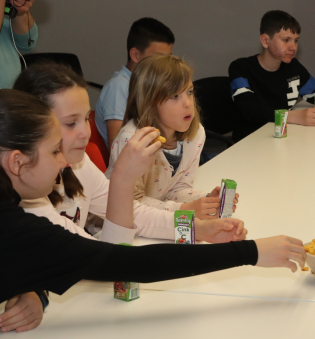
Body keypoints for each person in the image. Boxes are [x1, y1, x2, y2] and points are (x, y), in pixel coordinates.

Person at [0, 89, 305, 339]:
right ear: (16, 162)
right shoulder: (0, 224)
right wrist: (250, 252)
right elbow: (124, 262)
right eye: (54, 151)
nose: (63, 161)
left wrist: (33, 286)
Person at [15, 63, 243, 243]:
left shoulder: (80, 165)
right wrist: (122, 179)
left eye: (86, 119)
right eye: (70, 123)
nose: (86, 133)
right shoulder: (29, 200)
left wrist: (197, 229)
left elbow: (136, 214)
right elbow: (102, 256)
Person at [107, 55, 235, 218]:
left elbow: (177, 189)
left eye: (189, 92)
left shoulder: (195, 135)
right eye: (175, 96)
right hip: (117, 223)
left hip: (158, 220)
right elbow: (132, 204)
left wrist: (204, 200)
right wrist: (185, 209)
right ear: (149, 102)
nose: (188, 103)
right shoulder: (132, 140)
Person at [228, 10, 315, 141]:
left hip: (284, 139)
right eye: (286, 40)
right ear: (265, 41)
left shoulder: (293, 67)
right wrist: (295, 116)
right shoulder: (241, 68)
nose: (293, 47)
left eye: (296, 41)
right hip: (248, 142)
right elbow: (249, 111)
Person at [95, 17, 174, 148]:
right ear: (135, 55)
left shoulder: (151, 85)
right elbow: (118, 147)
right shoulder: (119, 87)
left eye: (168, 58)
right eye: (159, 58)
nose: (165, 65)